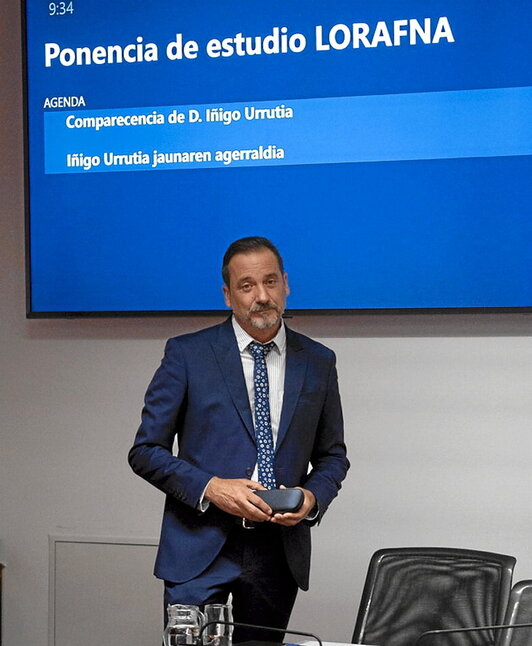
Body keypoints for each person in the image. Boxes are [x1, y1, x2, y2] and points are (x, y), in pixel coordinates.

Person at [128, 236, 349, 642]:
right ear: (228, 295)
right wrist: (212, 488)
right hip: (198, 545)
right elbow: (145, 451)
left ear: (286, 284)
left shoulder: (319, 361)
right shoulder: (187, 355)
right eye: (247, 286)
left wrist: (312, 498)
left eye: (270, 282)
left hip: (278, 552)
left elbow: (333, 456)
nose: (261, 296)